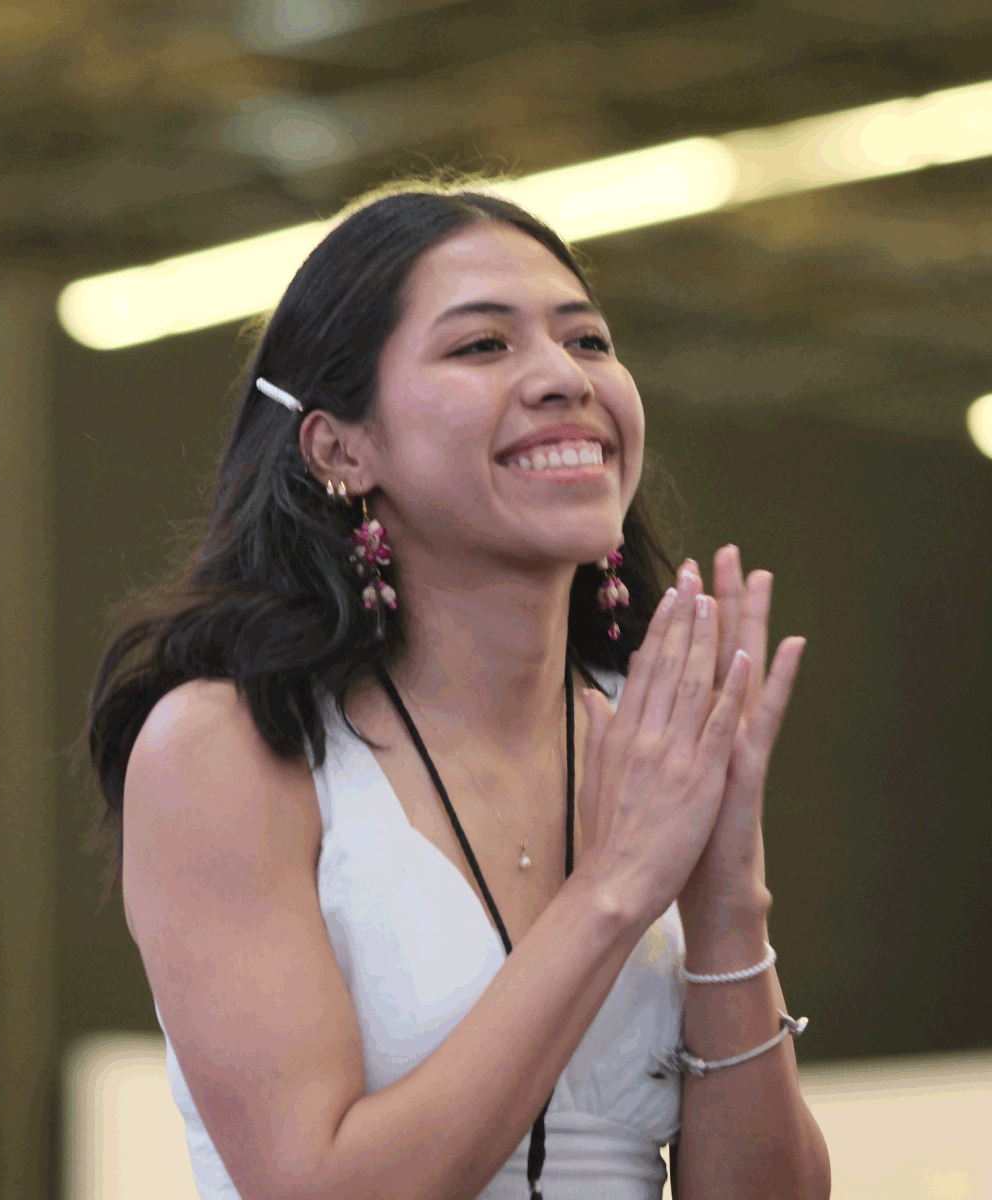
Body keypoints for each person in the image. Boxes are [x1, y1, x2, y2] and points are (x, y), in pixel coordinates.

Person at [86, 184, 831, 1200]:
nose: (563, 377)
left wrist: (727, 898)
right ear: (341, 448)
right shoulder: (230, 747)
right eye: (483, 345)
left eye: (588, 340)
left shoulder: (644, 748)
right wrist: (616, 885)